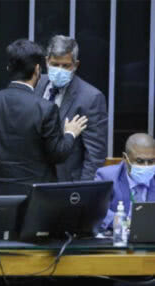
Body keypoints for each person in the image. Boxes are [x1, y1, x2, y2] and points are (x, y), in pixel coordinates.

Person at [0, 39, 88, 195]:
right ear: (37, 70)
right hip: (35, 195)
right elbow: (57, 154)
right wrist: (70, 133)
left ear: (8, 68)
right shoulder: (45, 108)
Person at [35, 35, 108, 181]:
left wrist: (83, 191)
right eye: (55, 64)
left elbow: (95, 155)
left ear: (75, 65)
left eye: (66, 65)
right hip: (33, 177)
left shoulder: (91, 98)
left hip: (66, 182)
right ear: (47, 61)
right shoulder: (35, 84)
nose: (59, 69)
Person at [96, 133, 155, 229]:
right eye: (139, 161)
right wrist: (125, 223)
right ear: (125, 158)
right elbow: (96, 209)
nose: (146, 166)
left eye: (151, 161)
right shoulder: (106, 176)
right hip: (119, 237)